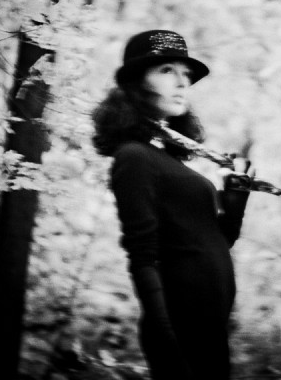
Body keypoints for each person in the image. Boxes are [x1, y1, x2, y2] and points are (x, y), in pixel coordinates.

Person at [92, 30, 251, 380]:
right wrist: (168, 342)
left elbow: (215, 241)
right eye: (167, 70)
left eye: (186, 74)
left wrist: (236, 196)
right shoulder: (134, 157)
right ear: (136, 81)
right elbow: (142, 256)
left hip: (209, 328)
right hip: (179, 332)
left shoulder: (166, 159)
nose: (182, 83)